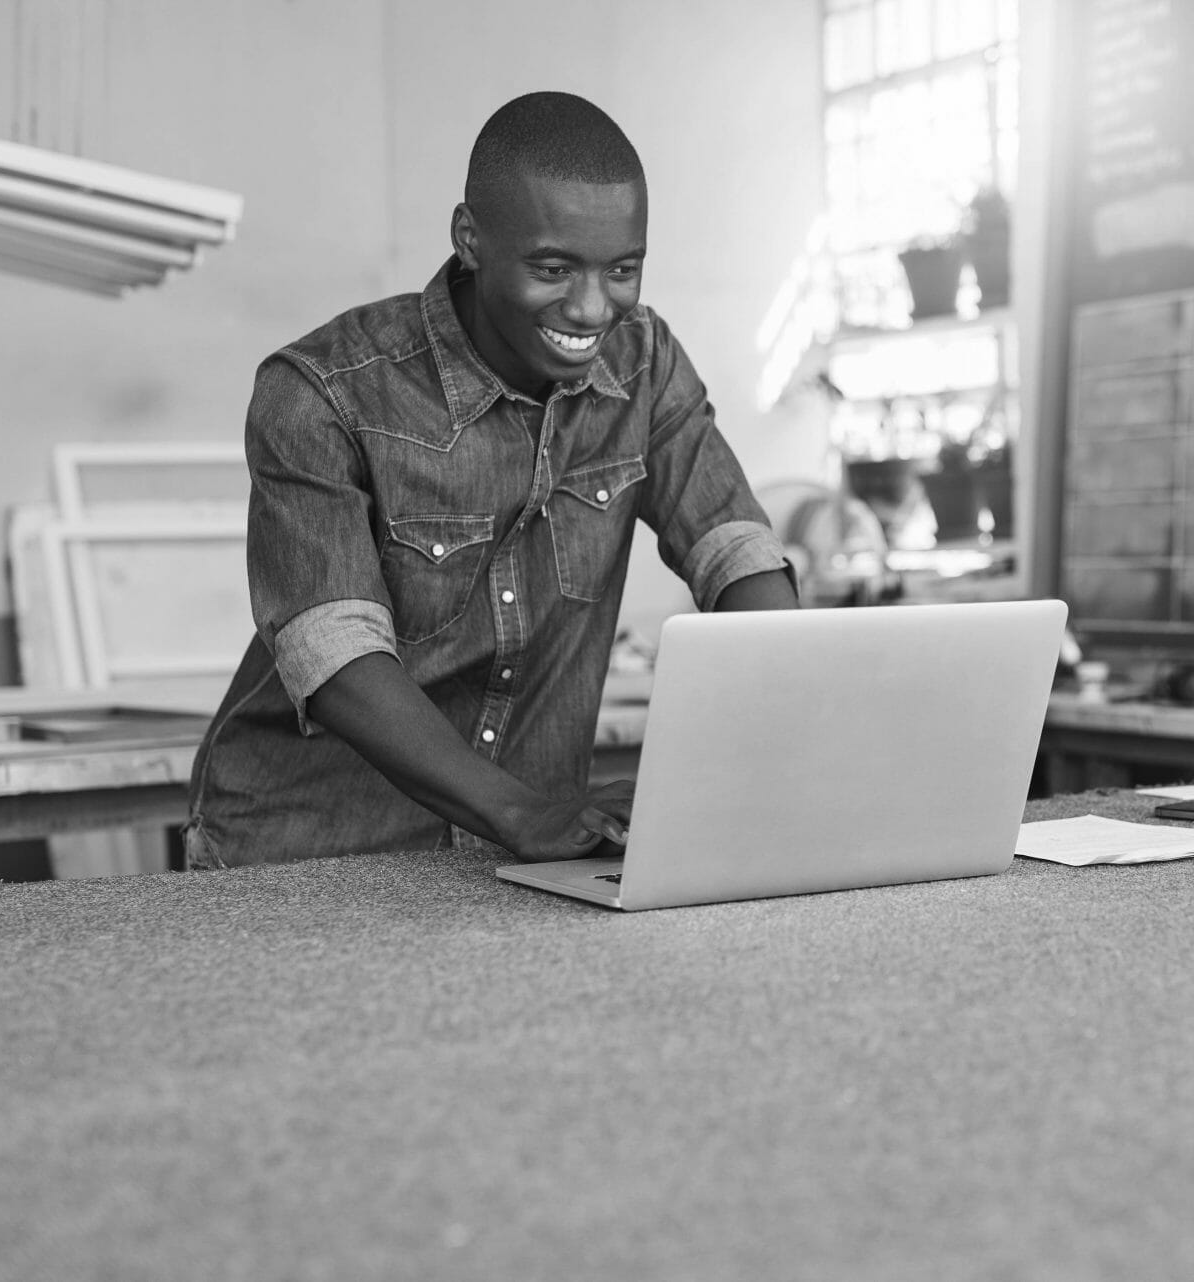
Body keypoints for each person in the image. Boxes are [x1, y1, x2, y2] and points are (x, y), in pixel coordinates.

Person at [184, 91, 797, 869]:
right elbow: (332, 653)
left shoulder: (642, 364)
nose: (589, 307)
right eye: (553, 268)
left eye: (622, 270)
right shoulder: (323, 391)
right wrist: (520, 811)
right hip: (309, 850)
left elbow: (733, 550)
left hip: (525, 858)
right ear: (470, 239)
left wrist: (783, 700)